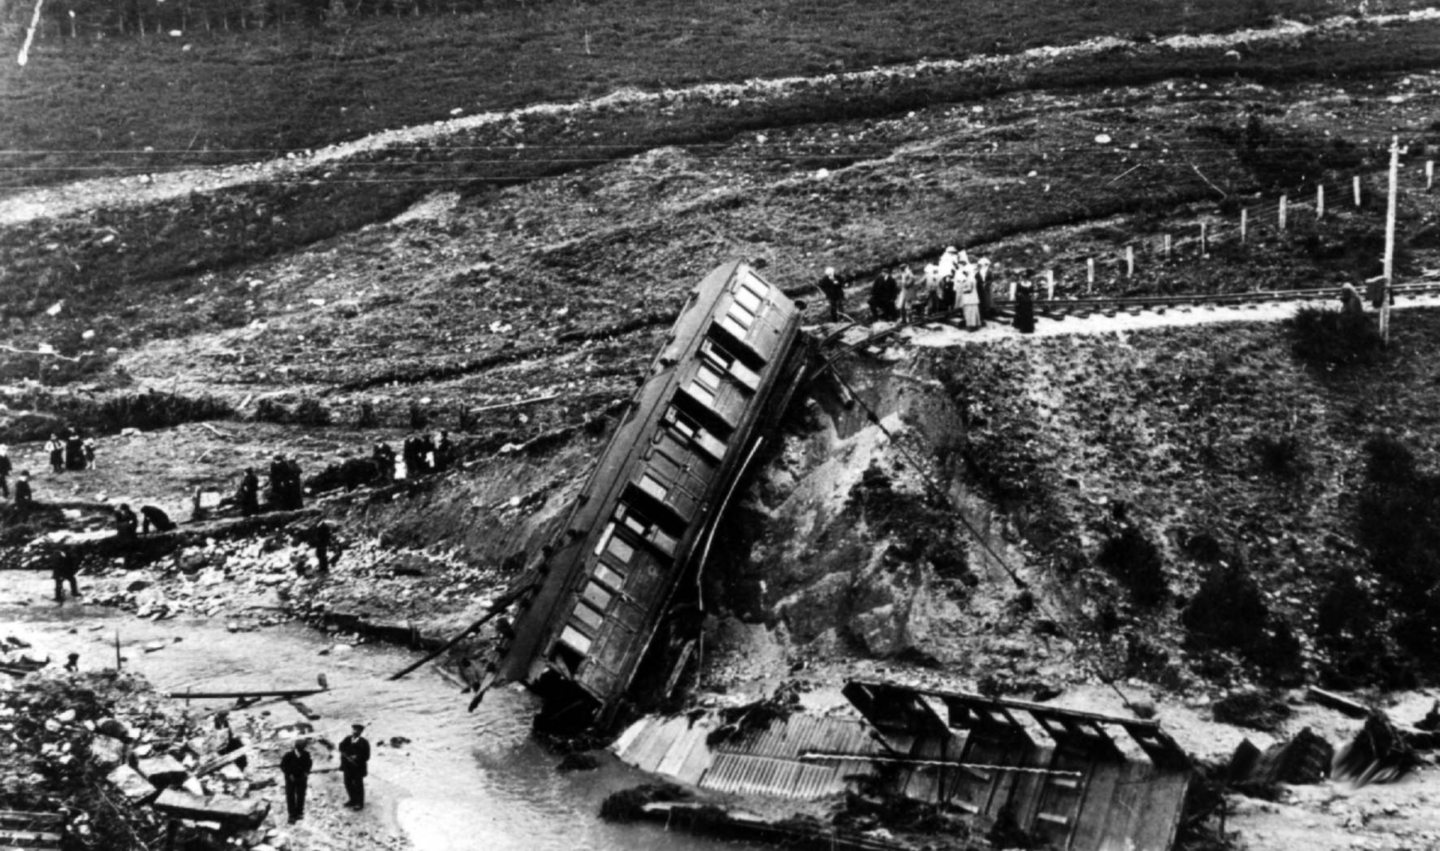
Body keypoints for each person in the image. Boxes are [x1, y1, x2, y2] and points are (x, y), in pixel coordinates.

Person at [279, 739, 312, 823]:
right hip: (290, 779)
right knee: (290, 796)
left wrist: (306, 773)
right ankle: (292, 815)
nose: (302, 749)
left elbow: (309, 764)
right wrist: (289, 774)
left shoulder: (306, 754)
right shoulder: (288, 755)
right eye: (301, 748)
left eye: (303, 747)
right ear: (297, 748)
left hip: (302, 778)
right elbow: (283, 766)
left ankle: (299, 812)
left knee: (301, 795)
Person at [339, 723, 371, 809]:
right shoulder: (347, 739)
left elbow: (367, 756)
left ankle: (360, 803)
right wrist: (345, 753)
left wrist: (356, 757)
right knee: (347, 783)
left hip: (358, 768)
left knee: (358, 785)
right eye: (354, 729)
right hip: (347, 767)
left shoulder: (364, 742)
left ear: (361, 732)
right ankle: (352, 800)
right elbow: (341, 747)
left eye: (357, 730)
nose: (355, 731)